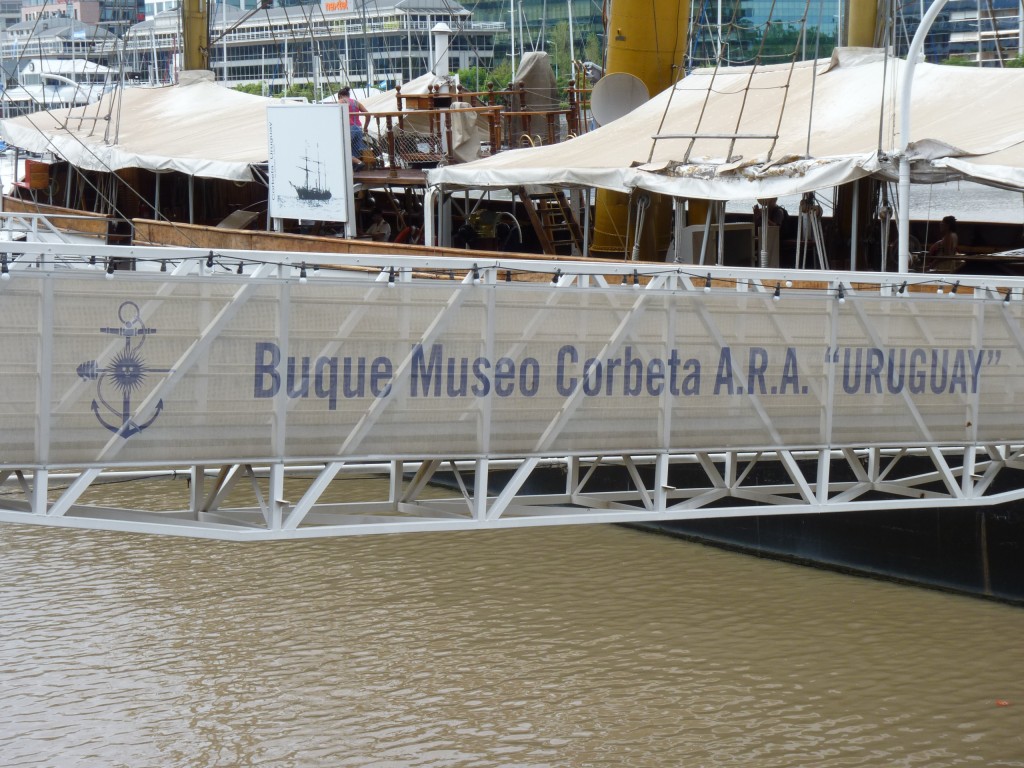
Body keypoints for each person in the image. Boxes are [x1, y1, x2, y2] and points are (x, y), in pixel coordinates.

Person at [337, 86, 368, 170]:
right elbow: (367, 114)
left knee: (343, 149)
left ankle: (359, 162)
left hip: (349, 128)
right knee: (354, 150)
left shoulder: (341, 101)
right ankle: (355, 168)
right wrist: (365, 127)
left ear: (340, 95)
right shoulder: (356, 102)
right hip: (358, 128)